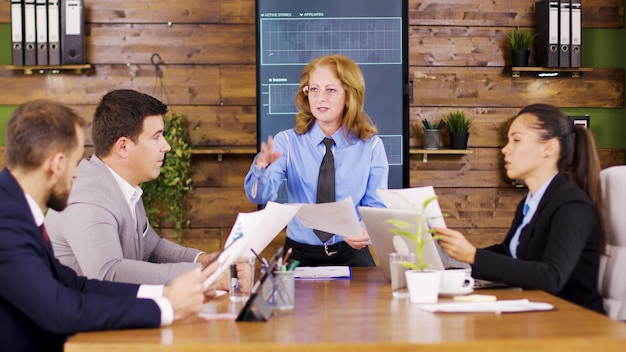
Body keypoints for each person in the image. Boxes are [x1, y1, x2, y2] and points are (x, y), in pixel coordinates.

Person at [0, 100, 215, 351]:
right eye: (74, 161)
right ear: (57, 164)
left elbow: (76, 285)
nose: (76, 174)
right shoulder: (6, 222)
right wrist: (166, 309)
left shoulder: (15, 210)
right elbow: (60, 309)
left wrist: (163, 296)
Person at [45, 89, 249, 290]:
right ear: (123, 147)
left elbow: (152, 249)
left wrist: (202, 260)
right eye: (156, 137)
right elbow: (109, 274)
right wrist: (204, 275)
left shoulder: (124, 185)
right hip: (80, 321)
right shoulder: (87, 196)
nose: (166, 146)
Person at [434, 103, 606, 314]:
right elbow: (510, 254)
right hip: (537, 315)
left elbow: (551, 277)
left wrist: (473, 256)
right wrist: (456, 260)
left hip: (575, 323)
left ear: (549, 148)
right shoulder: (531, 202)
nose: (505, 149)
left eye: (516, 140)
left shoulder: (572, 204)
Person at [244, 54, 389, 267]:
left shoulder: (371, 146)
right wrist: (261, 168)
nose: (320, 98)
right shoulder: (286, 142)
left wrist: (364, 230)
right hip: (299, 256)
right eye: (314, 89)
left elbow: (375, 206)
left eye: (330, 90)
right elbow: (260, 196)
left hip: (351, 255)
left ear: (349, 96)